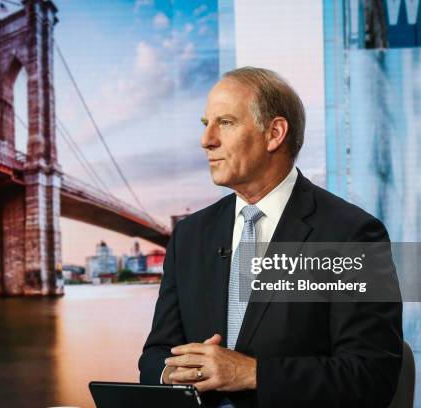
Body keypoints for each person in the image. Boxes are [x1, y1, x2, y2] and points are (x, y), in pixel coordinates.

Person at [138, 67, 403, 407]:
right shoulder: (190, 236)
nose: (207, 140)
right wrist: (171, 373)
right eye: (206, 125)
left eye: (226, 123)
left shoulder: (351, 234)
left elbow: (371, 376)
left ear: (274, 133)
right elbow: (155, 355)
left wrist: (252, 373)